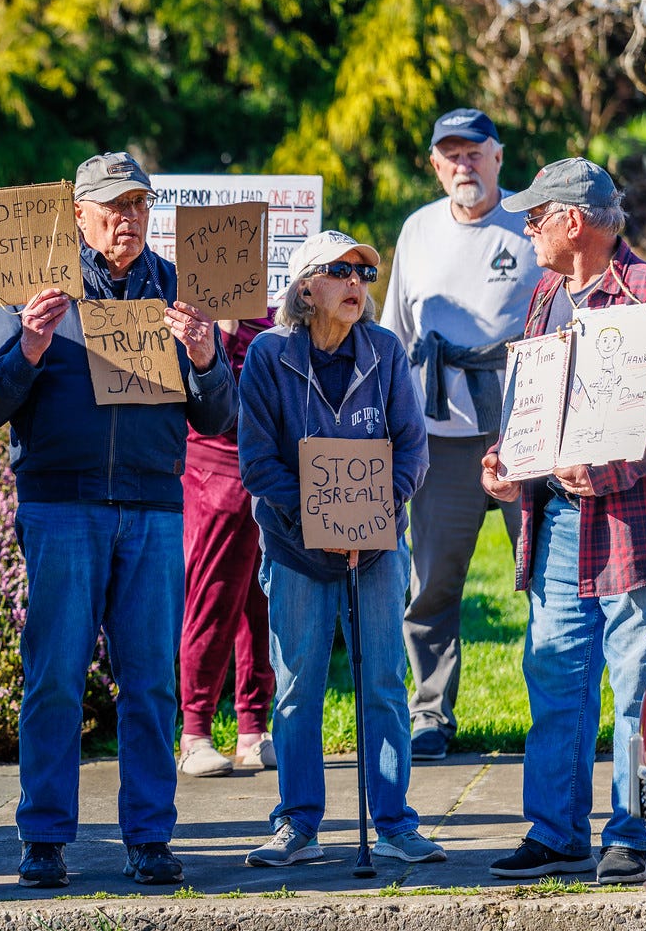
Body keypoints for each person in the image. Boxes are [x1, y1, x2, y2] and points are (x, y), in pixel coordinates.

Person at [0, 151, 237, 889]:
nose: (129, 219)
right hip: (61, 508)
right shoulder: (30, 289)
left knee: (150, 683)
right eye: (114, 206)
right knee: (54, 675)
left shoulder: (180, 291)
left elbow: (220, 417)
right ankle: (44, 836)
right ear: (78, 214)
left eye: (140, 205)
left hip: (153, 510)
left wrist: (206, 359)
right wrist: (27, 347)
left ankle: (149, 836)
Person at [483, 159, 646, 884]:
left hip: (640, 529)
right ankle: (555, 832)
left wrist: (616, 467)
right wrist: (508, 458)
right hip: (556, 522)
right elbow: (532, 399)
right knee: (554, 673)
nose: (526, 230)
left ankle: (633, 835)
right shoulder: (545, 295)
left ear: (572, 221)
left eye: (535, 217)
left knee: (637, 684)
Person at [237, 230, 438, 868]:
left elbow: (412, 449)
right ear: (304, 288)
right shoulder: (268, 355)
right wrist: (323, 522)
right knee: (298, 688)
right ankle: (297, 824)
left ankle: (395, 823)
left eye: (364, 273)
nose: (356, 283)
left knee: (383, 682)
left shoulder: (385, 350)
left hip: (377, 550)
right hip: (296, 548)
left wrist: (369, 520)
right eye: (340, 271)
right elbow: (257, 462)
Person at [379, 108, 541, 762]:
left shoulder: (529, 226)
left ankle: (554, 712)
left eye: (474, 152)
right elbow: (395, 335)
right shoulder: (417, 230)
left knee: (546, 577)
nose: (463, 165)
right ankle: (430, 714)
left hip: (525, 429)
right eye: (451, 154)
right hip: (438, 431)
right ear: (435, 165)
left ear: (498, 156)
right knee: (433, 583)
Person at [178, 313, 277, 779]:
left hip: (269, 470)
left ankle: (253, 728)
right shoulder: (189, 307)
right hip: (214, 469)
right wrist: (226, 331)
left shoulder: (273, 308)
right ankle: (195, 733)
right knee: (213, 599)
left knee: (262, 605)